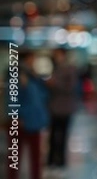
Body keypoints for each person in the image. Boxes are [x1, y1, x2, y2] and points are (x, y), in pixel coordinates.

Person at [5, 50, 49, 179]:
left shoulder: (33, 78)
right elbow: (12, 99)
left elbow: (42, 97)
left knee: (36, 155)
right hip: (20, 121)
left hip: (34, 121)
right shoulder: (16, 77)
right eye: (31, 59)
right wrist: (16, 116)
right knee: (15, 156)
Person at [46, 47, 79, 175]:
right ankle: (51, 162)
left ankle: (61, 162)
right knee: (53, 136)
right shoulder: (55, 68)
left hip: (65, 108)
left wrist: (55, 84)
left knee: (63, 136)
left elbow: (70, 87)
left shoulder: (69, 69)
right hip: (54, 108)